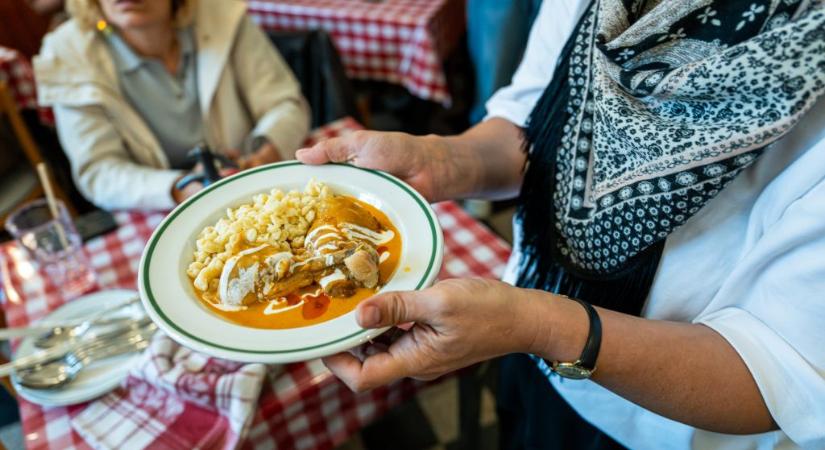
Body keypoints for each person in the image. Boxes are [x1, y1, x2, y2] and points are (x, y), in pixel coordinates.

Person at [296, 1, 825, 449]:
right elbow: (537, 118)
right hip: (531, 332)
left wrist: (539, 325)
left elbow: (779, 371)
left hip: (662, 427)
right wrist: (440, 159)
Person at [33, 0, 309, 210]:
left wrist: (262, 158)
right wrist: (180, 189)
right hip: (164, 208)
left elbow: (285, 103)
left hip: (258, 184)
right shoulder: (66, 52)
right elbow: (99, 171)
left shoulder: (221, 13)